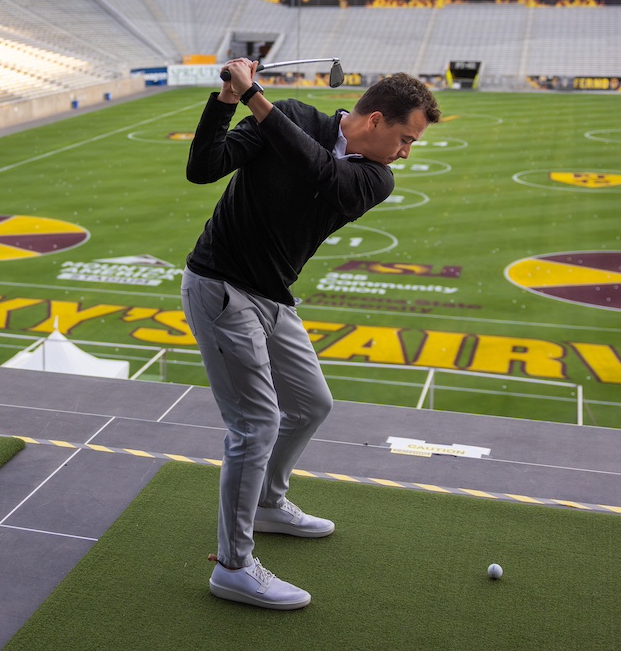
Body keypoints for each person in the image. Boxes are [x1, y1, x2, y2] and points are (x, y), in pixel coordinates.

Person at [181, 59, 440, 609]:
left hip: (273, 296)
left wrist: (257, 97)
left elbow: (319, 172)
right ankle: (232, 565)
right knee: (255, 424)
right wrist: (228, 99)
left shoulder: (374, 178)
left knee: (312, 405)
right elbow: (204, 167)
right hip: (221, 287)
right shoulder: (294, 115)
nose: (405, 153)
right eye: (404, 139)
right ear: (374, 120)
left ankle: (270, 504)